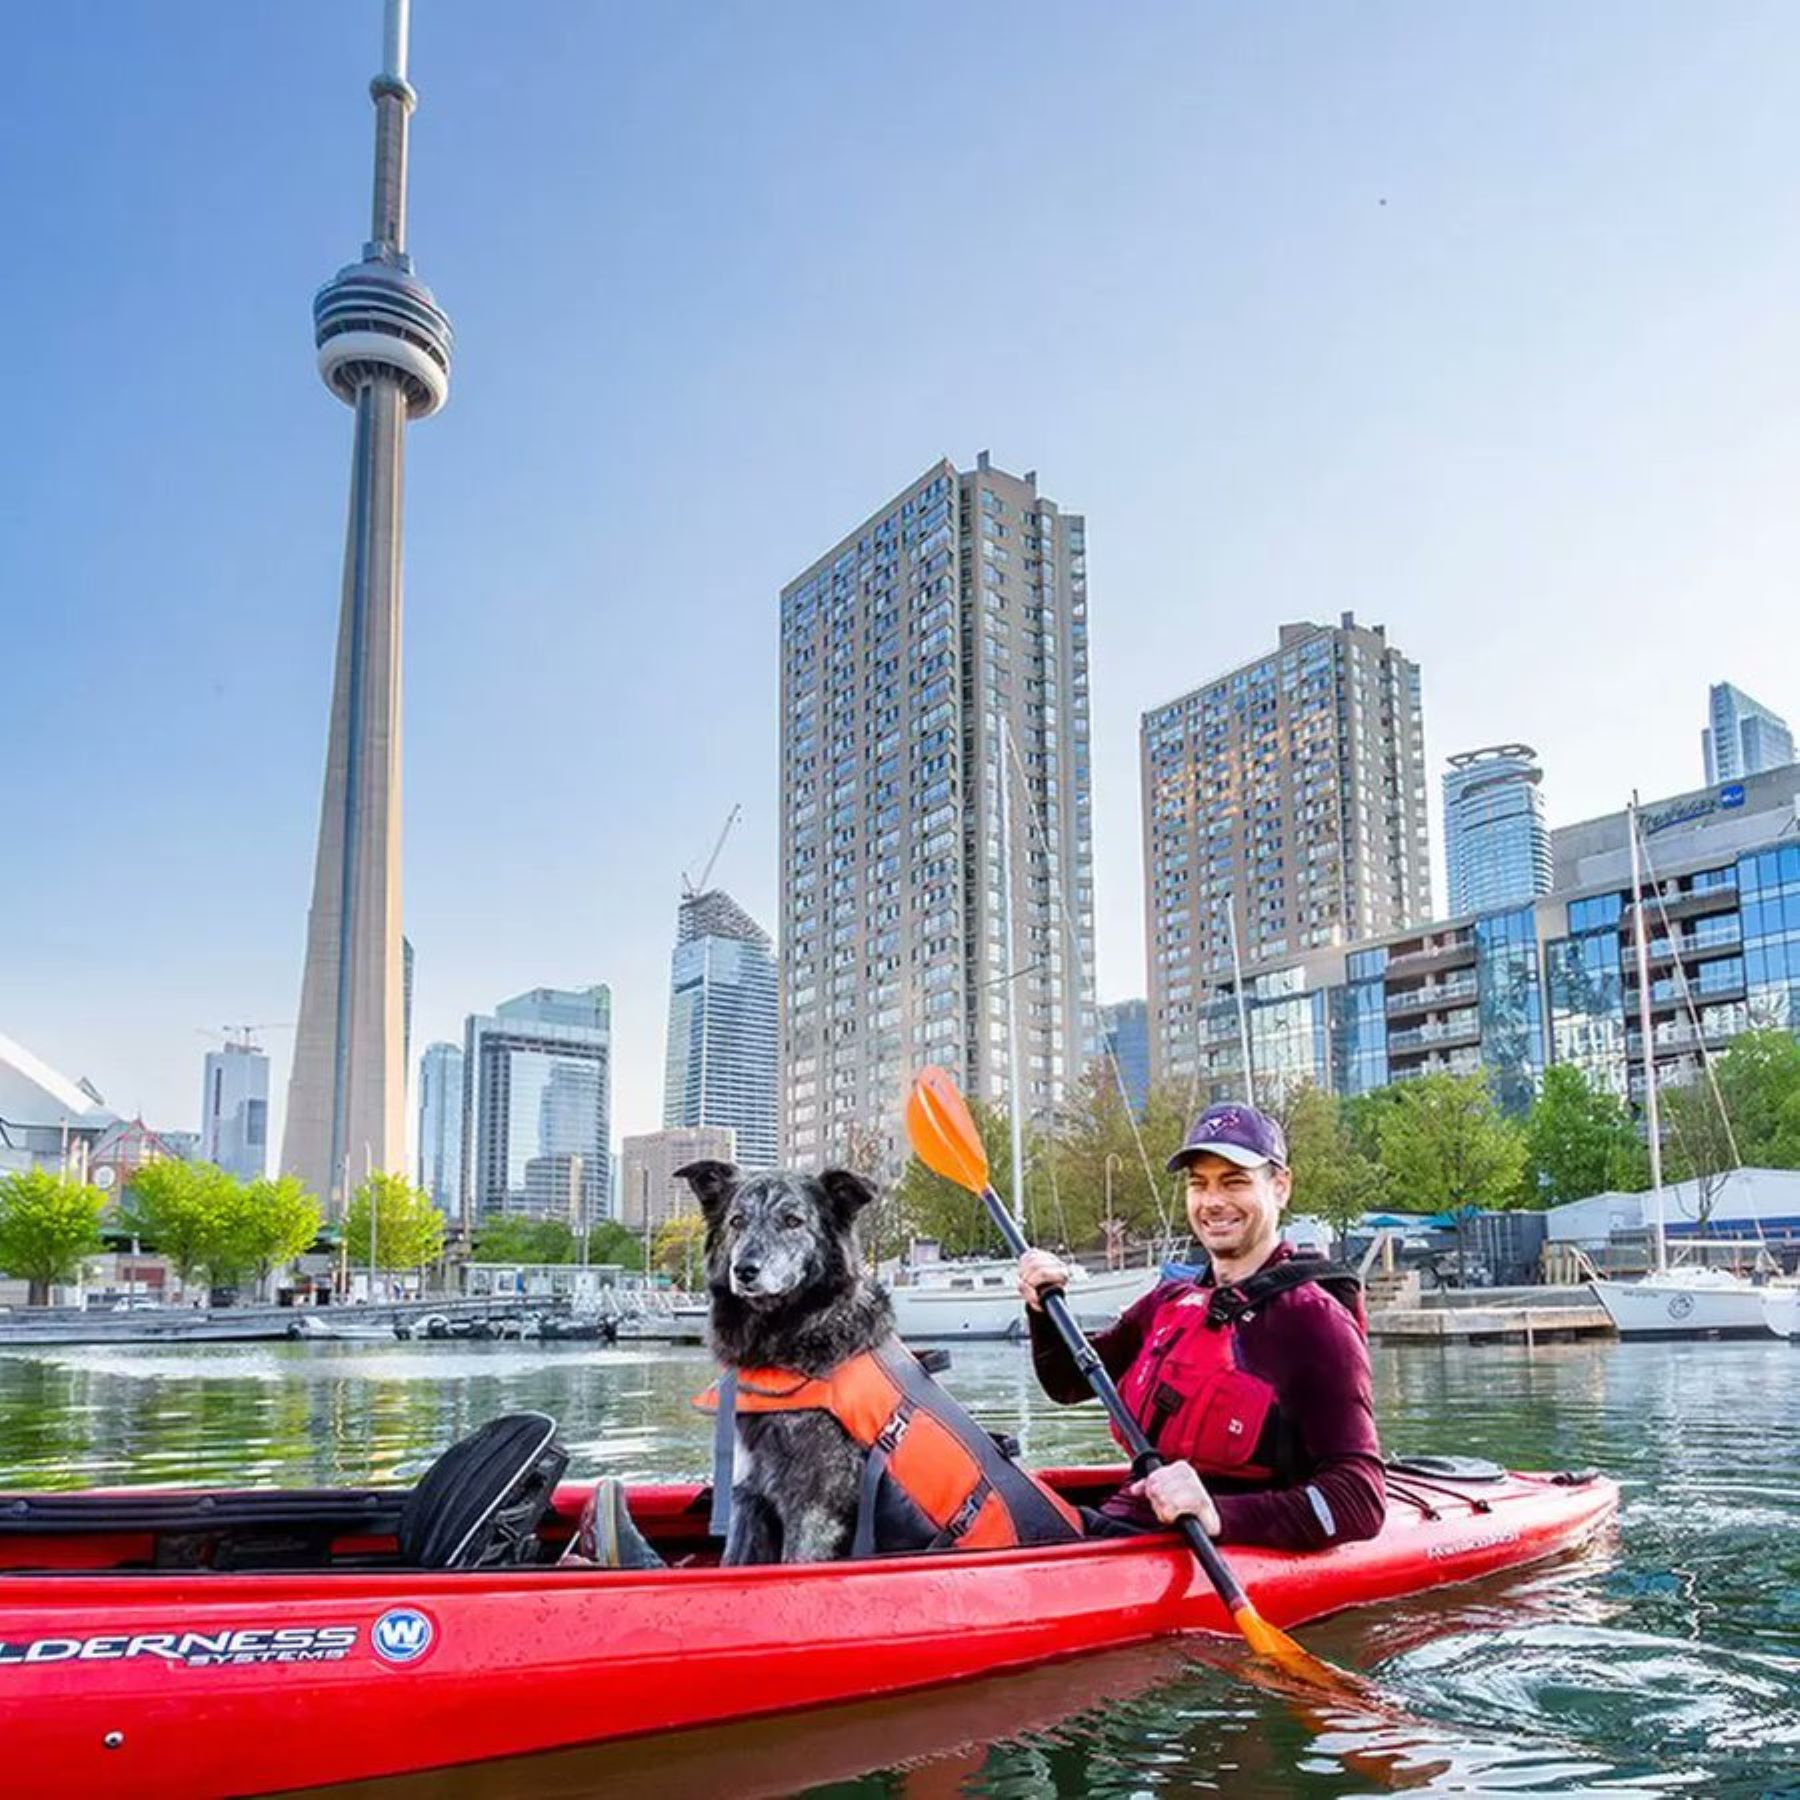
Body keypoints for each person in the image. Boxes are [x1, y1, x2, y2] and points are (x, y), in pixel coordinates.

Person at [1018, 1101, 1385, 1551]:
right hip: (1126, 1524)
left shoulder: (1312, 1321)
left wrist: (1217, 1514)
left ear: (1281, 1187)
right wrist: (1042, 1308)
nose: (1213, 1202)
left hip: (1199, 1545)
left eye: (1234, 1182)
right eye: (1199, 1184)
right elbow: (1067, 1383)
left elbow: (1360, 1500)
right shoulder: (1170, 1303)